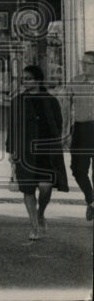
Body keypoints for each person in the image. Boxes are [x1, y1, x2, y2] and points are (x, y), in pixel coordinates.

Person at [6, 64, 69, 240]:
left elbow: (58, 123)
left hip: (46, 151)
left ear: (38, 80)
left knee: (46, 187)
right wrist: (11, 150)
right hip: (24, 150)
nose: (25, 81)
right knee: (27, 189)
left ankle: (41, 213)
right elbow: (11, 127)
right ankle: (34, 226)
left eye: (28, 78)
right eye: (23, 79)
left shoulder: (51, 100)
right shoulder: (17, 101)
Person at [67, 50, 94, 222]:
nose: (83, 66)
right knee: (78, 170)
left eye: (87, 63)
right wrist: (66, 133)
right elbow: (65, 108)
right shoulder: (75, 83)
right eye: (82, 63)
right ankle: (91, 201)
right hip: (81, 130)